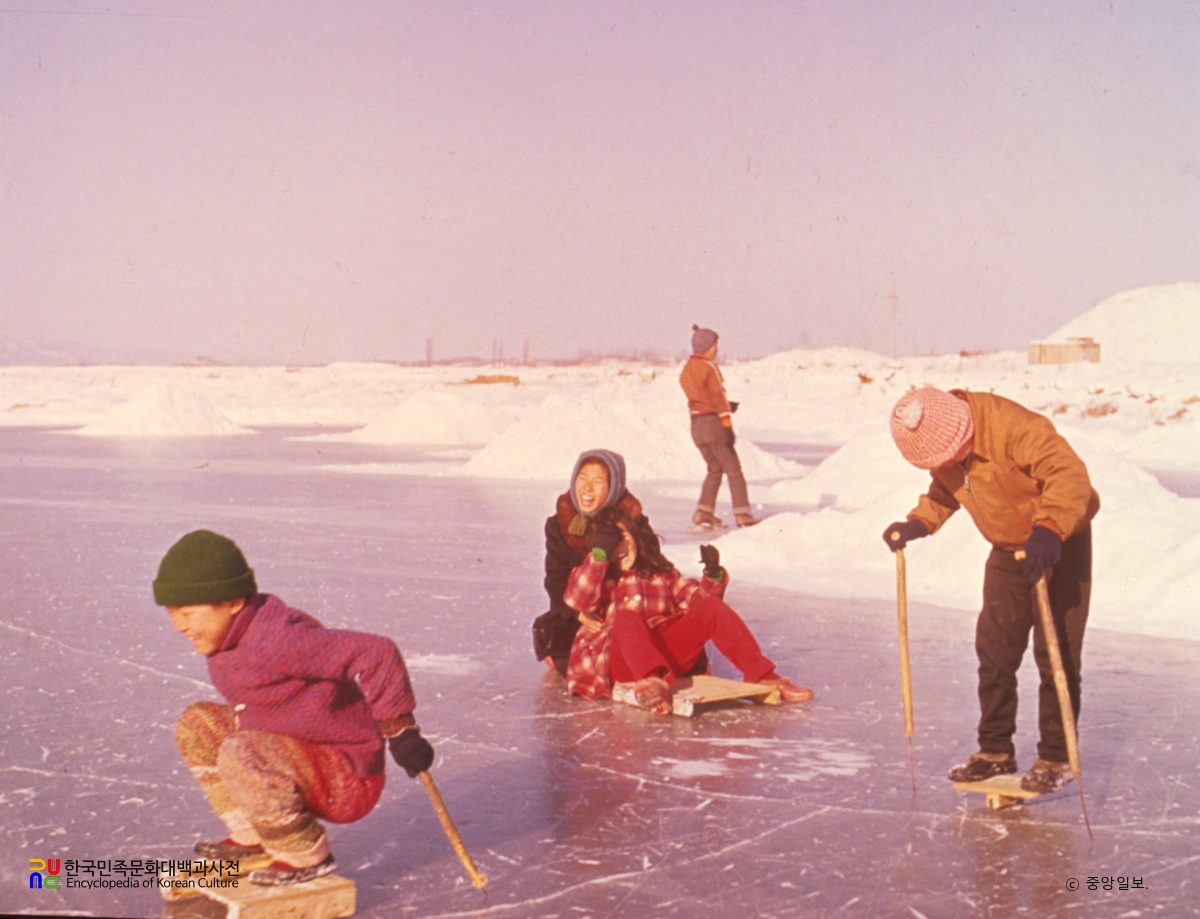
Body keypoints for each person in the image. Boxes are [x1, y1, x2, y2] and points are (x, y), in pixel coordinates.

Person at [153, 529, 435, 885]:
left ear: (234, 601)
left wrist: (400, 729)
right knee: (198, 724)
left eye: (189, 612)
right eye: (172, 612)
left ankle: (304, 854)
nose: (179, 626)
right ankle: (254, 835)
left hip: (345, 775)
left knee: (243, 751)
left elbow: (376, 652)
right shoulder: (229, 636)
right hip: (290, 755)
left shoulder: (277, 639)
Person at [881, 387, 1099, 794]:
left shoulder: (1016, 428)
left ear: (963, 433)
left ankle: (1056, 756)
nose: (946, 466)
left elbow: (1069, 475)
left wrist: (1049, 528)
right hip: (1007, 547)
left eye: (949, 459)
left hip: (1058, 542)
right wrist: (921, 521)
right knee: (995, 650)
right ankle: (995, 751)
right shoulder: (944, 442)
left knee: (1057, 653)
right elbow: (947, 488)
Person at [562, 484, 813, 714]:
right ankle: (651, 685)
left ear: (635, 537)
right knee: (627, 616)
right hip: (624, 664)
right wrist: (599, 558)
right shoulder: (598, 577)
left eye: (623, 539)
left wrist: (712, 576)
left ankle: (764, 676)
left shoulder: (661, 574)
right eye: (610, 545)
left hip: (668, 659)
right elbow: (578, 599)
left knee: (711, 607)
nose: (619, 549)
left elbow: (697, 602)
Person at [532, 449, 707, 679]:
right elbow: (556, 579)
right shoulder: (558, 524)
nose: (587, 489)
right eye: (582, 479)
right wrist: (579, 615)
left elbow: (657, 567)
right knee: (551, 630)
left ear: (614, 486)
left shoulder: (633, 521)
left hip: (627, 606)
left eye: (598, 482)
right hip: (585, 608)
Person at [679, 324, 760, 528]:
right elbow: (717, 397)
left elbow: (700, 396)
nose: (717, 349)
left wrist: (723, 407)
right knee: (734, 469)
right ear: (706, 346)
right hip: (713, 424)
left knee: (714, 469)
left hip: (696, 425)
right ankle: (743, 514)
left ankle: (703, 512)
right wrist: (727, 426)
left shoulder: (687, 369)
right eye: (715, 344)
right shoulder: (709, 367)